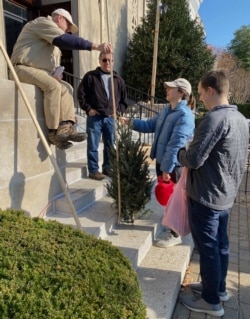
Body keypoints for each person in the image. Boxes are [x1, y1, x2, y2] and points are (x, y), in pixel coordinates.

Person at [177, 70, 249, 317]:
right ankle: (217, 289)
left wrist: (179, 154)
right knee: (220, 246)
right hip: (225, 196)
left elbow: (194, 159)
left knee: (208, 248)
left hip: (207, 197)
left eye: (200, 93)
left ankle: (211, 302)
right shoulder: (239, 118)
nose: (200, 99)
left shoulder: (214, 119)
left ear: (210, 90)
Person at [11, 8, 111, 150]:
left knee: (67, 88)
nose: (68, 30)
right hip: (21, 69)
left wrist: (55, 74)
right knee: (53, 86)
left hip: (38, 72)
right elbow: (66, 40)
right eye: (68, 26)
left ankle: (65, 127)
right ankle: (52, 131)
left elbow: (50, 62)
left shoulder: (53, 45)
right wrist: (95, 46)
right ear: (59, 19)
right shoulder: (43, 23)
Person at [122, 78, 195, 247]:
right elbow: (149, 125)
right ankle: (171, 224)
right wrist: (130, 122)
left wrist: (167, 169)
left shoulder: (185, 116)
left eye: (171, 88)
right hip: (163, 162)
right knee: (168, 196)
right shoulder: (167, 110)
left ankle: (176, 234)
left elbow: (175, 146)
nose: (167, 90)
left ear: (181, 93)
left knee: (176, 199)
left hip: (173, 165)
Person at [77, 52, 128, 180]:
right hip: (95, 118)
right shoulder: (90, 77)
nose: (107, 63)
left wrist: (118, 112)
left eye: (110, 60)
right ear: (99, 61)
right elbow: (81, 95)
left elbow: (124, 100)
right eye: (104, 60)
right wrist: (88, 109)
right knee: (93, 145)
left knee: (110, 145)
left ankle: (108, 168)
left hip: (110, 118)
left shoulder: (118, 80)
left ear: (113, 62)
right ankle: (93, 170)